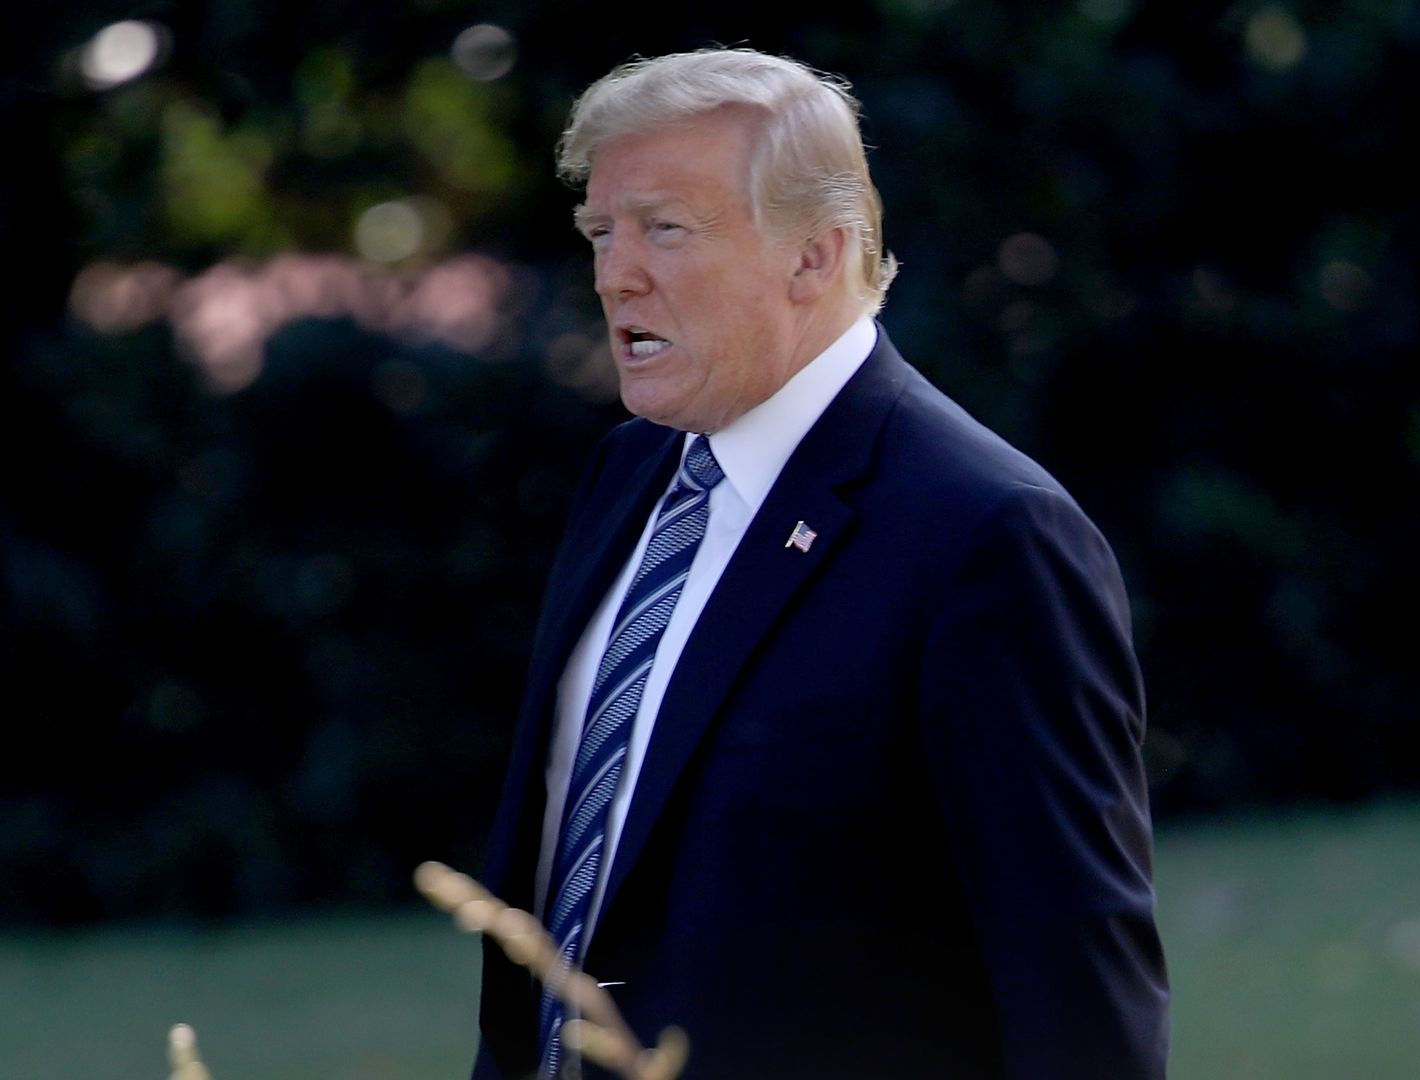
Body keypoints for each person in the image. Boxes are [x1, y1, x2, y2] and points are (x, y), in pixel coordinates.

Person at [472, 47, 1168, 1080]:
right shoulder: (628, 476)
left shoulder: (986, 533)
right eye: (601, 232)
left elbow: (1080, 996)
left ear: (815, 255)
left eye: (665, 228)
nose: (616, 272)